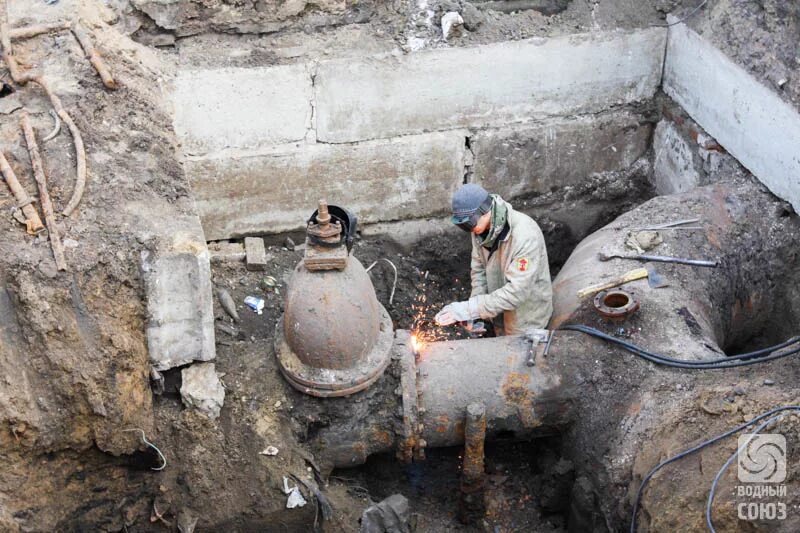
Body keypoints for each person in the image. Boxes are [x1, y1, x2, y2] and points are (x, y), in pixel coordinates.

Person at [434, 184, 553, 336]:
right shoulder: (479, 229)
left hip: (526, 318)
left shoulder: (525, 235)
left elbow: (517, 292)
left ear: (484, 211)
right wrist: (475, 316)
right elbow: (479, 271)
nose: (469, 229)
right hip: (497, 311)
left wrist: (471, 309)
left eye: (469, 223)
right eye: (463, 226)